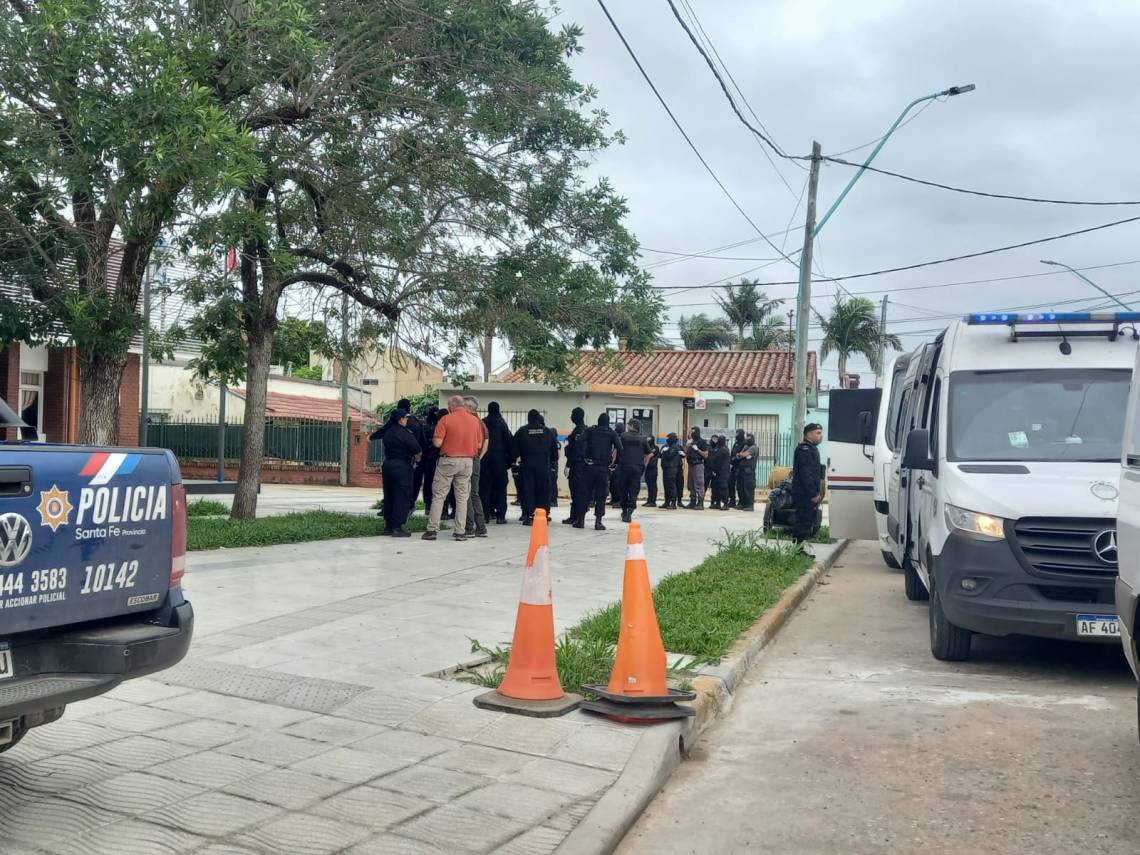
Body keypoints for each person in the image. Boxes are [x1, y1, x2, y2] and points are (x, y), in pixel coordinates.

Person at [423, 395, 482, 542]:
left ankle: (432, 529)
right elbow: (479, 444)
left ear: (451, 406)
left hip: (448, 461)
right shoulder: (475, 421)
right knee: (462, 497)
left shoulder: (446, 419)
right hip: (468, 461)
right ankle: (460, 531)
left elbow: (437, 443)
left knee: (439, 496)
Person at [371, 408, 421, 537]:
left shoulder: (388, 432)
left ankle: (388, 525)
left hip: (388, 465)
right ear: (400, 420)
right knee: (401, 495)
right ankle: (397, 527)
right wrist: (418, 459)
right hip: (402, 466)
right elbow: (416, 449)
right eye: (405, 418)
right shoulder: (405, 433)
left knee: (389, 495)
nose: (407, 420)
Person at [514, 409, 557, 525]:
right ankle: (543, 515)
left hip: (527, 465)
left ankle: (529, 516)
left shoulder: (522, 431)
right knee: (543, 490)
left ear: (528, 418)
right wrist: (553, 462)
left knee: (528, 490)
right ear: (538, 418)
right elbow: (554, 449)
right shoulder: (547, 431)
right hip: (543, 466)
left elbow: (513, 447)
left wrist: (516, 459)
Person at [580, 412, 622, 530]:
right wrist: (615, 463)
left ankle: (581, 520)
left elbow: (580, 442)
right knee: (601, 496)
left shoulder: (591, 430)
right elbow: (620, 448)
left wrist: (584, 457)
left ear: (598, 421)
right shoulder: (612, 433)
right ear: (608, 422)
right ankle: (598, 522)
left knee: (585, 493)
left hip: (590, 466)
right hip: (603, 468)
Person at [791, 423, 824, 551]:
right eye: (818, 433)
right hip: (804, 493)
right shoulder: (804, 450)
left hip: (808, 493)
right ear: (809, 434)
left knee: (807, 521)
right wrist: (813, 494)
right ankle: (797, 550)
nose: (820, 436)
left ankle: (800, 549)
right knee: (802, 521)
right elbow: (806, 474)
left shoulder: (812, 448)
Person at [481, 401, 514, 525]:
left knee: (484, 488)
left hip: (485, 459)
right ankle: (500, 516)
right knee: (501, 488)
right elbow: (509, 442)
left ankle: (485, 515)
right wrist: (509, 461)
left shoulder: (483, 422)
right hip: (499, 460)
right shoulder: (502, 424)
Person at [463, 396, 489, 538]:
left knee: (466, 494)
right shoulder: (481, 423)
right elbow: (486, 442)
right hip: (476, 459)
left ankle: (469, 527)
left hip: (467, 459)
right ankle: (481, 527)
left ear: (469, 408)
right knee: (474, 494)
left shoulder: (469, 422)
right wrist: (479, 457)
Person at [616, 419, 652, 523]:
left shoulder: (623, 436)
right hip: (637, 468)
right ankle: (630, 512)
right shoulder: (643, 438)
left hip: (624, 467)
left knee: (623, 489)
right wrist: (644, 465)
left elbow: (616, 450)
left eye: (628, 425)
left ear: (631, 426)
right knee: (633, 490)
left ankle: (624, 510)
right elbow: (649, 454)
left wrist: (613, 462)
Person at [563, 407, 588, 526]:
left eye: (572, 414)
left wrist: (568, 465)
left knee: (577, 492)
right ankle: (574, 516)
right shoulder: (585, 430)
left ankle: (578, 517)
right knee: (575, 492)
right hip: (581, 466)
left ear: (577, 416)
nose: (571, 417)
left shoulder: (579, 431)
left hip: (577, 465)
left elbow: (576, 451)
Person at [420, 407, 441, 515]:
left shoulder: (424, 426)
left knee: (428, 482)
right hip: (437, 458)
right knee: (436, 483)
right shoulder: (439, 427)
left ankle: (428, 505)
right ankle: (433, 506)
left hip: (426, 458)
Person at [684, 426, 709, 509]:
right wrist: (687, 445)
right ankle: (693, 501)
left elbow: (705, 455)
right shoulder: (691, 442)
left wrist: (697, 449)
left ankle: (700, 502)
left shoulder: (702, 442)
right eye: (691, 432)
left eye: (693, 432)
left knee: (699, 484)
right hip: (690, 465)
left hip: (698, 464)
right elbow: (685, 453)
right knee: (690, 485)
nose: (691, 433)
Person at [734, 432, 760, 511]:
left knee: (748, 488)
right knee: (740, 487)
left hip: (749, 472)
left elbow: (743, 454)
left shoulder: (754, 447)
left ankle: (749, 505)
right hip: (742, 471)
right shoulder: (746, 446)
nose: (747, 440)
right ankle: (742, 503)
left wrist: (742, 454)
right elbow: (738, 456)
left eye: (749, 439)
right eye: (747, 438)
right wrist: (741, 454)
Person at [659, 433, 683, 509]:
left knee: (671, 486)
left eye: (669, 438)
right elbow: (660, 455)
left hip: (672, 469)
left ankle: (673, 502)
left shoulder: (676, 447)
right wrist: (662, 451)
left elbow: (669, 456)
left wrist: (665, 451)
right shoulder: (665, 446)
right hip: (666, 468)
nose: (667, 439)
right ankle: (667, 501)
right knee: (666, 486)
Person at [708, 435, 732, 510]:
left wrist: (714, 468)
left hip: (723, 472)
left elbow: (719, 461)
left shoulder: (723, 450)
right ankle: (717, 503)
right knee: (716, 487)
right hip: (718, 472)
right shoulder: (719, 448)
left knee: (723, 487)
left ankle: (725, 503)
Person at [726, 429, 746, 509]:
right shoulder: (736, 443)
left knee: (740, 485)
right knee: (730, 482)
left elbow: (741, 455)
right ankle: (732, 500)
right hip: (733, 466)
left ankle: (741, 501)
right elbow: (733, 453)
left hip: (740, 466)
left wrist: (735, 458)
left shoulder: (744, 443)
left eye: (738, 433)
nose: (736, 435)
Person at [544, 417, 560, 508]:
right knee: (551, 482)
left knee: (553, 482)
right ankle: (551, 499)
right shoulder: (552, 442)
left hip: (553, 464)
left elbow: (558, 455)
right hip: (552, 464)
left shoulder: (556, 443)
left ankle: (554, 500)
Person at [609, 421, 625, 507]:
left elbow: (615, 451)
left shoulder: (620, 437)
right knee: (613, 483)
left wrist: (612, 462)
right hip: (618, 462)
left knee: (617, 483)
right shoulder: (621, 436)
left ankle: (618, 500)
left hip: (619, 463)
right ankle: (614, 499)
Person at [642, 437, 661, 508]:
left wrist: (645, 464)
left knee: (653, 485)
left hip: (653, 469)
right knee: (649, 485)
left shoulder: (655, 448)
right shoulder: (647, 447)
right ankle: (649, 500)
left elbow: (649, 455)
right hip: (647, 469)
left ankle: (653, 501)